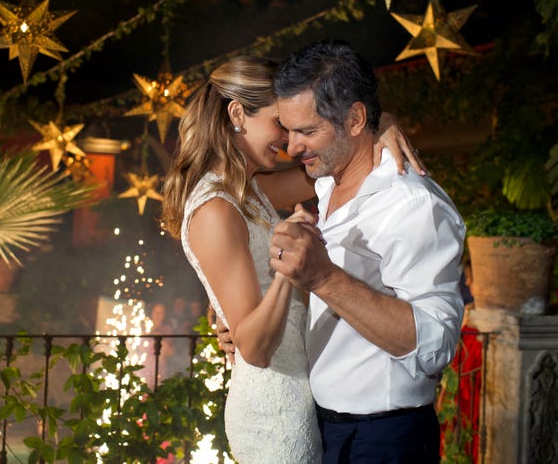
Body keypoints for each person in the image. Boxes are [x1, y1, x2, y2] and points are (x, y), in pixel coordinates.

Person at [160, 55, 424, 464]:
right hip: (274, 411)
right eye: (279, 123)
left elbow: (337, 158)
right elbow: (255, 348)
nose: (288, 139)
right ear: (237, 115)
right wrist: (290, 268)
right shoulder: (214, 208)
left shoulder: (246, 191)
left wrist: (381, 122)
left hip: (305, 398)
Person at [267, 40, 464, 463]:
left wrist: (324, 277)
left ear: (355, 119)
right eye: (288, 131)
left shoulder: (411, 203)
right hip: (328, 430)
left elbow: (437, 343)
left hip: (385, 439)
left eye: (307, 131)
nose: (292, 147)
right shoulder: (326, 184)